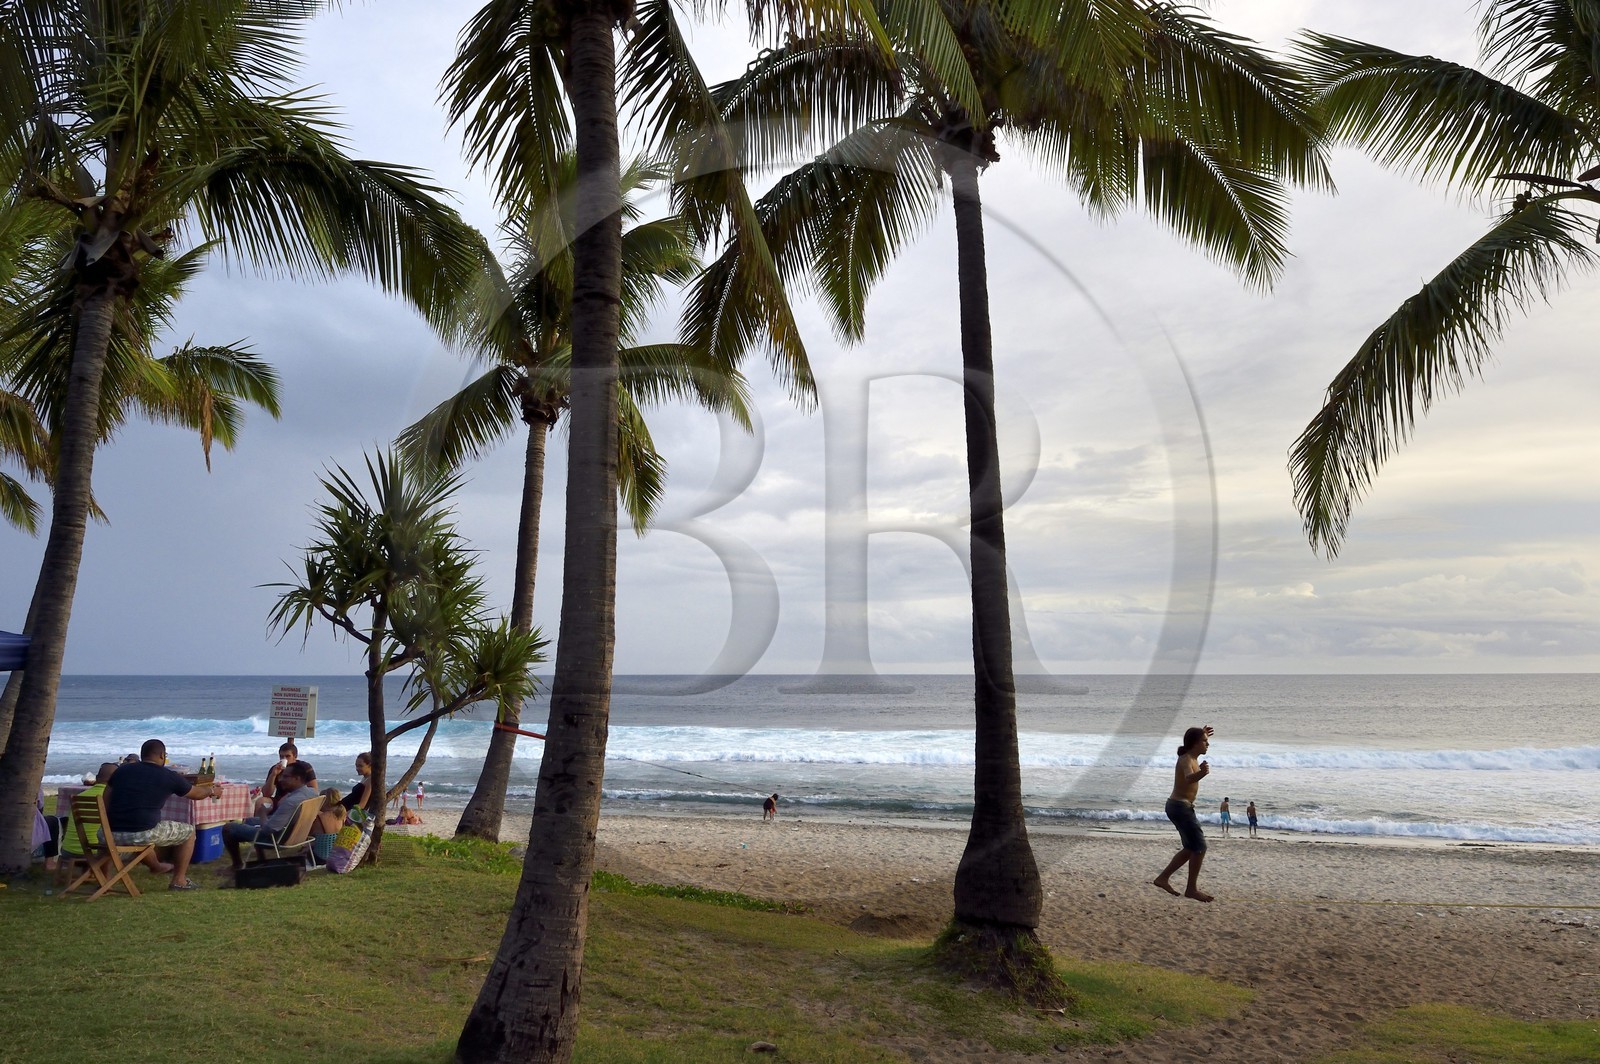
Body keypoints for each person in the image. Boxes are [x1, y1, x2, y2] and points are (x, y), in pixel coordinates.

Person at [104, 738, 223, 890]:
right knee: (189, 832)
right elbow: (196, 793)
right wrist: (212, 790)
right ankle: (179, 880)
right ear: (162, 755)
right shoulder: (167, 775)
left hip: (109, 833)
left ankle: (110, 877)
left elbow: (105, 798)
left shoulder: (121, 771)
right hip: (141, 833)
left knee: (143, 830)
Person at [1154, 724, 1215, 902]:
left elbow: (1194, 739)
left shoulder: (1191, 756)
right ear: (1195, 743)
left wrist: (1202, 731)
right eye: (1204, 741)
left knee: (1191, 848)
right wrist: (1201, 773)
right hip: (1180, 807)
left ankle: (1162, 878)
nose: (1207, 744)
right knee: (1200, 847)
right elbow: (1189, 777)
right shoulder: (1186, 759)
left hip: (1180, 807)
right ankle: (1191, 889)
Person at [223, 759, 319, 871]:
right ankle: (261, 861)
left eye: (286, 777)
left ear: (297, 778)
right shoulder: (312, 793)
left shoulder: (291, 801)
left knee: (228, 828)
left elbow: (267, 830)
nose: (281, 779)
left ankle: (237, 865)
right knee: (250, 821)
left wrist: (263, 812)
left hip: (277, 839)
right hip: (298, 835)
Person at [254, 742, 300, 817]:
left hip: (296, 800)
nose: (284, 759)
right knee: (261, 801)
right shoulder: (275, 769)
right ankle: (256, 824)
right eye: (281, 756)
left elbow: (313, 789)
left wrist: (288, 797)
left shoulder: (302, 768)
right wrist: (273, 775)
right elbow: (266, 794)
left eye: (288, 756)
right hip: (278, 801)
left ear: (295, 756)